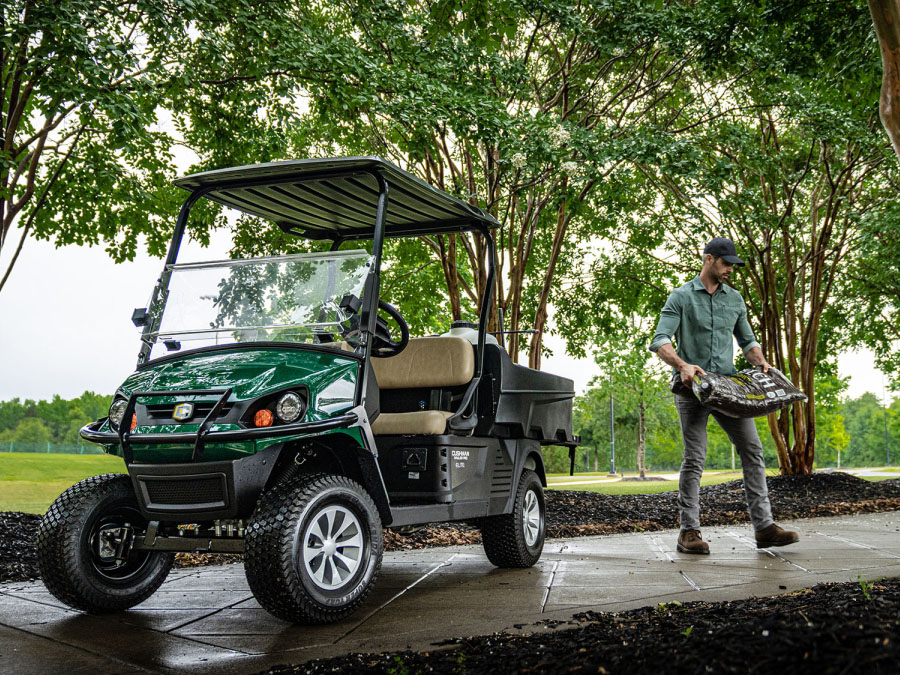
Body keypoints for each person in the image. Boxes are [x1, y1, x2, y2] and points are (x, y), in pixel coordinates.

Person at [649, 237, 799, 554]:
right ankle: (688, 533)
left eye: (732, 264)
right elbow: (660, 340)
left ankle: (764, 529)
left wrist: (760, 361)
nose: (730, 269)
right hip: (693, 389)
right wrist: (681, 365)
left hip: (728, 388)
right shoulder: (681, 297)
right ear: (708, 260)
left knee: (753, 449)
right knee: (695, 458)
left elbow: (748, 341)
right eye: (726, 263)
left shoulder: (735, 300)